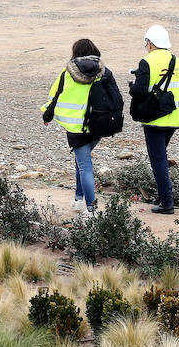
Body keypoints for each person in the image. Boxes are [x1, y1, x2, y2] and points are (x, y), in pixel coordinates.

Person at [42, 37, 121, 215]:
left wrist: (47, 116)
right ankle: (78, 198)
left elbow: (55, 96)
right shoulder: (105, 72)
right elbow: (116, 97)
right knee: (81, 161)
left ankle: (91, 209)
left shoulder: (67, 73)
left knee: (84, 165)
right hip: (98, 126)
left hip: (76, 128)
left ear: (75, 52)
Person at [129, 25, 179, 214]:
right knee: (161, 157)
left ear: (150, 43)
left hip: (154, 120)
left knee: (158, 159)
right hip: (175, 119)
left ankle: (167, 202)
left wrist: (132, 87)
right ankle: (163, 196)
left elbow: (139, 91)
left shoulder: (146, 62)